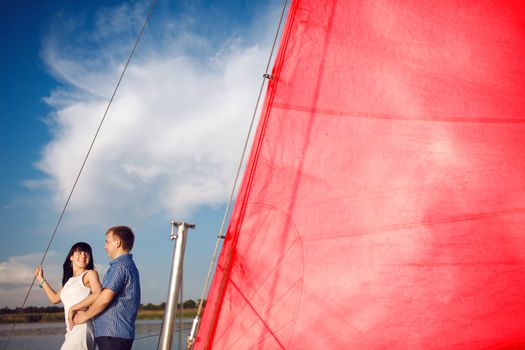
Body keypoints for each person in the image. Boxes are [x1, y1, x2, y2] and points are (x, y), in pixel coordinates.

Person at [69, 226, 141, 350]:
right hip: (116, 336)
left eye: (107, 241)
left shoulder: (120, 266)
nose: (105, 246)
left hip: (112, 336)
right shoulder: (128, 265)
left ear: (117, 243)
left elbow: (105, 298)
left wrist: (85, 315)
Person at [35, 242, 102, 350]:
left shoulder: (90, 274)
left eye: (87, 253)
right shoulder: (68, 281)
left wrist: (74, 308)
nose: (84, 255)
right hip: (70, 330)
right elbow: (54, 299)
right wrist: (41, 279)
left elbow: (98, 293)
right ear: (71, 257)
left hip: (82, 327)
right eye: (79, 252)